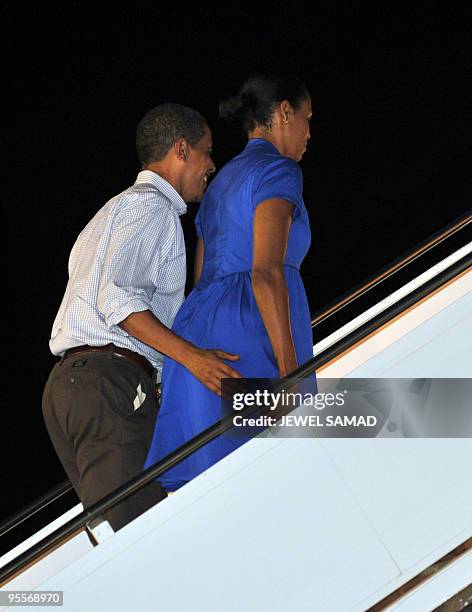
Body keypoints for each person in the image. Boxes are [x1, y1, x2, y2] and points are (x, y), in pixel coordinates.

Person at [42, 103, 241, 533]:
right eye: (207, 151)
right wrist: (193, 358)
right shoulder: (154, 209)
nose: (212, 164)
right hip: (107, 381)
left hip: (71, 388)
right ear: (181, 150)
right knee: (146, 536)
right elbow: (117, 299)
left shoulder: (107, 215)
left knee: (127, 533)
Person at [144, 75, 315, 492]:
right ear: (284, 113)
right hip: (250, 330)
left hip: (198, 333)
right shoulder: (279, 170)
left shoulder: (217, 185)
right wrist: (292, 373)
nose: (309, 132)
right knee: (284, 477)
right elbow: (266, 272)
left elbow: (202, 280)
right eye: (307, 118)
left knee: (221, 489)